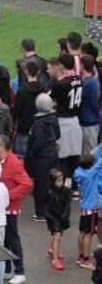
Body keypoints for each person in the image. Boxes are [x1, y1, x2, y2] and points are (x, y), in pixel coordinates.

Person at [0, 135, 30, 284]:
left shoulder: (14, 163)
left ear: (2, 146)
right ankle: (6, 269)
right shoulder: (1, 162)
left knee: (13, 239)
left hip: (10, 208)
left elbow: (26, 184)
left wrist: (8, 196)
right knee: (4, 239)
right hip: (2, 207)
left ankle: (19, 271)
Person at [49, 54, 84, 192]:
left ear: (61, 66)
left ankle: (62, 188)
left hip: (63, 123)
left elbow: (48, 99)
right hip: (75, 121)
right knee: (75, 156)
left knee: (62, 157)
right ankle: (75, 188)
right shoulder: (78, 79)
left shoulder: (60, 84)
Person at [27, 93, 61, 221]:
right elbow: (57, 135)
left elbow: (38, 141)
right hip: (52, 154)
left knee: (41, 185)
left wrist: (32, 152)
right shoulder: (53, 117)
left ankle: (41, 213)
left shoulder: (39, 122)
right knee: (51, 183)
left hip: (41, 158)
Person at [44, 168, 73, 270]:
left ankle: (52, 250)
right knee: (57, 236)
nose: (61, 182)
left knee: (60, 234)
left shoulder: (65, 191)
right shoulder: (49, 193)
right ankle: (55, 260)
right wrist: (53, 219)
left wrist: (65, 215)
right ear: (53, 181)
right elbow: (47, 209)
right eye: (59, 181)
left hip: (62, 216)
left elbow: (67, 204)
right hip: (53, 217)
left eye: (62, 180)